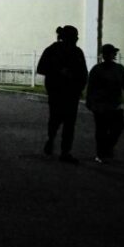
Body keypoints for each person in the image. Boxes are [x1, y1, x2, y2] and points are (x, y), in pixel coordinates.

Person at [36, 25, 89, 163]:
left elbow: (83, 73)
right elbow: (41, 68)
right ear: (67, 38)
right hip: (58, 91)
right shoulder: (54, 50)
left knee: (66, 122)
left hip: (70, 92)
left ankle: (63, 149)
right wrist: (59, 71)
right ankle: (54, 142)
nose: (76, 40)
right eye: (74, 37)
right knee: (60, 120)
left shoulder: (76, 52)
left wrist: (80, 86)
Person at [86, 44, 124, 164]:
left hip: (114, 104)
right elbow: (91, 87)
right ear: (104, 55)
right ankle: (100, 153)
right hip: (100, 105)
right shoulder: (97, 69)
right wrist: (89, 101)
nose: (111, 55)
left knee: (118, 127)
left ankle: (107, 147)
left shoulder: (119, 69)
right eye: (108, 53)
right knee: (101, 129)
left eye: (112, 53)